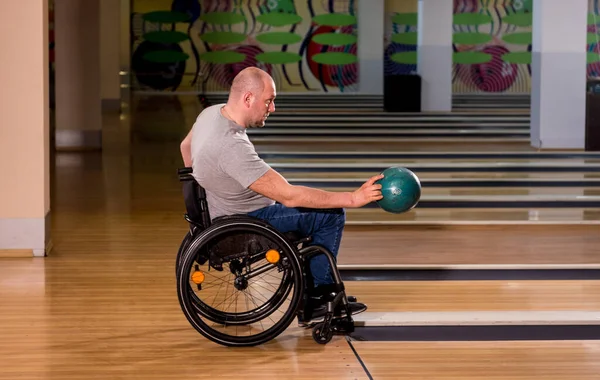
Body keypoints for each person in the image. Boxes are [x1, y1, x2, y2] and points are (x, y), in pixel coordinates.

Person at [180, 67, 383, 325]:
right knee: (330, 214)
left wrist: (208, 186)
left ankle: (314, 289)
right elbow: (288, 196)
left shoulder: (209, 115)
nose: (272, 108)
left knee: (311, 204)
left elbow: (185, 146)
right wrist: (353, 198)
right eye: (268, 100)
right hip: (249, 221)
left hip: (222, 215)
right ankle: (319, 297)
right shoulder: (230, 146)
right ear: (248, 98)